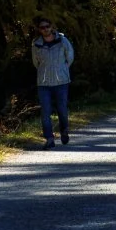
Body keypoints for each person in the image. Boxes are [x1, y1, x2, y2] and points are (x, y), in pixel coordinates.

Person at [31, 17, 74, 148]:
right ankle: (49, 138)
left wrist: (64, 68)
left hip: (61, 81)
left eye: (47, 26)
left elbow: (70, 55)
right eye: (42, 27)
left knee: (62, 109)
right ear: (39, 29)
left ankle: (64, 130)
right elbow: (35, 62)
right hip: (44, 83)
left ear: (51, 27)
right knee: (45, 111)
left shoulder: (62, 40)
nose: (45, 29)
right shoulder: (36, 44)